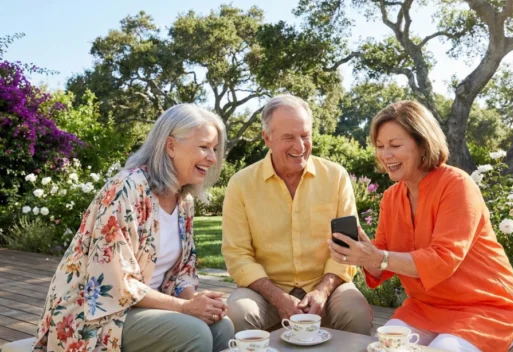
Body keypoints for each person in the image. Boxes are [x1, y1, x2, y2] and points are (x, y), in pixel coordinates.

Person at [328, 101, 513, 352]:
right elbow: (381, 263)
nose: (386, 155)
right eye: (380, 147)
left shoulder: (457, 184)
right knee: (383, 348)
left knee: (445, 349)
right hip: (425, 308)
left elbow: (443, 258)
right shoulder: (391, 198)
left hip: (486, 307)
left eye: (395, 145)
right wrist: (360, 253)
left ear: (423, 144)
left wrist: (379, 257)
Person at [33, 104, 234, 352]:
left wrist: (194, 299)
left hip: (145, 307)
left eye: (214, 149)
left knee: (221, 326)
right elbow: (115, 282)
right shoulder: (126, 189)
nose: (213, 158)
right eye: (204, 147)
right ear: (170, 146)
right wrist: (184, 308)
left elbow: (182, 272)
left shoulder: (184, 200)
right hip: (96, 314)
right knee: (194, 334)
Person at [222, 94, 373, 335]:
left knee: (356, 313)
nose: (300, 146)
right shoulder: (241, 184)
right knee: (237, 314)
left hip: (326, 284)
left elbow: (347, 246)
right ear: (267, 138)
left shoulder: (336, 177)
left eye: (305, 136)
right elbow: (237, 255)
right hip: (266, 289)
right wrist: (278, 298)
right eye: (288, 138)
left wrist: (322, 291)